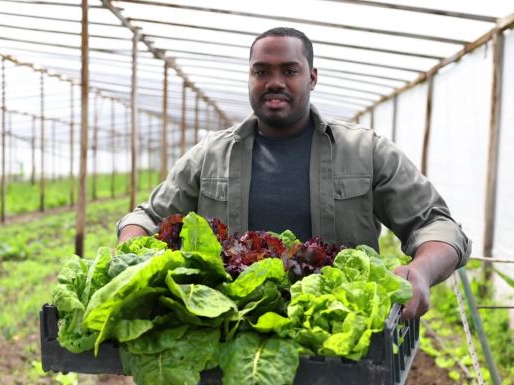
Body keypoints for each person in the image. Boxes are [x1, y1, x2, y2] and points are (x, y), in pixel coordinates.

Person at [116, 27, 471, 321]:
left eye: (289, 70)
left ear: (312, 77)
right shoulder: (209, 156)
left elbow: (436, 224)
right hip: (232, 332)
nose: (274, 81)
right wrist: (135, 260)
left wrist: (421, 271)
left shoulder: (366, 151)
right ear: (250, 77)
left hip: (339, 332)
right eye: (261, 71)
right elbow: (147, 219)